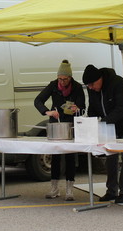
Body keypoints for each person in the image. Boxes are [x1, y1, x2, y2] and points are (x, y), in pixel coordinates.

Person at [82, 64, 123, 204]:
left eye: (92, 84)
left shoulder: (118, 83)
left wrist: (103, 121)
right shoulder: (92, 89)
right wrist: (91, 122)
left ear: (100, 78)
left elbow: (121, 108)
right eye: (88, 86)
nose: (90, 88)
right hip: (111, 127)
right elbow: (93, 108)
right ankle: (111, 191)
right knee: (110, 157)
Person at [34, 60, 85, 201]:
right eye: (60, 79)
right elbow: (38, 100)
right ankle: (54, 188)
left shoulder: (77, 87)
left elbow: (83, 106)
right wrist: (47, 112)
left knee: (70, 157)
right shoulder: (53, 85)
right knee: (55, 156)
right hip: (55, 124)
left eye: (65, 79)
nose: (62, 82)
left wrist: (77, 108)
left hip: (70, 124)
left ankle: (69, 189)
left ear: (70, 78)